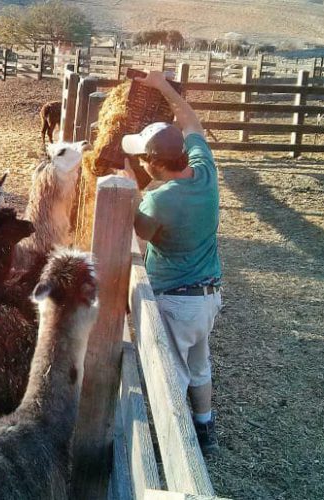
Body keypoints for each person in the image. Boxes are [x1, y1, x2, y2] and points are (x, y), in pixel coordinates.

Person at [121, 71, 223, 456]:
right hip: (208, 296)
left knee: (172, 376)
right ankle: (204, 429)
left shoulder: (159, 200)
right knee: (200, 365)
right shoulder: (205, 173)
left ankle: (177, 450)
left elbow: (142, 231)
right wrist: (164, 87)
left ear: (153, 164)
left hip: (177, 301)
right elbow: (192, 122)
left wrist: (130, 191)